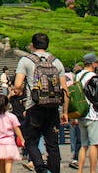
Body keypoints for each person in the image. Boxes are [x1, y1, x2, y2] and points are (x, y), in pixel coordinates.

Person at [13, 32, 68, 173]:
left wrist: (17, 90)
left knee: (30, 141)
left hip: (35, 106)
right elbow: (65, 90)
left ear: (32, 45)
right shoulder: (56, 61)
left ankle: (41, 169)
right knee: (53, 145)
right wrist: (65, 112)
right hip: (53, 107)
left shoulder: (26, 60)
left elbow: (18, 85)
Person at [74, 54, 98, 173]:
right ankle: (92, 171)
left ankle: (80, 170)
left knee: (83, 145)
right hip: (93, 113)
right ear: (93, 63)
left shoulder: (78, 76)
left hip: (81, 112)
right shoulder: (93, 76)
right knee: (94, 144)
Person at [0, 94, 23, 173]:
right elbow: (16, 128)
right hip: (10, 142)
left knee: (2, 162)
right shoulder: (12, 116)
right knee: (9, 161)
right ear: (7, 105)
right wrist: (22, 139)